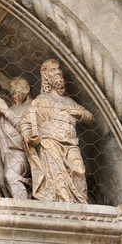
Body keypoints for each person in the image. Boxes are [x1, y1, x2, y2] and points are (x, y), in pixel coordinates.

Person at [26, 59, 94, 203]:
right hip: (50, 144)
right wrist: (30, 136)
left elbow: (90, 117)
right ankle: (62, 203)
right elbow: (27, 122)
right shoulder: (41, 100)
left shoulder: (69, 101)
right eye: (52, 70)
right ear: (45, 76)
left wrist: (77, 112)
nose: (57, 72)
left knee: (79, 171)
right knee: (57, 177)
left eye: (58, 69)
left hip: (71, 143)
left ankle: (80, 204)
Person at [0, 77, 32, 199]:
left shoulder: (32, 106)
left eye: (17, 88)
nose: (14, 92)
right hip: (3, 155)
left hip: (19, 152)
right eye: (12, 90)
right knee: (5, 181)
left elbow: (26, 129)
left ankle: (24, 211)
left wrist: (5, 111)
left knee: (11, 176)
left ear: (27, 89)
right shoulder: (10, 109)